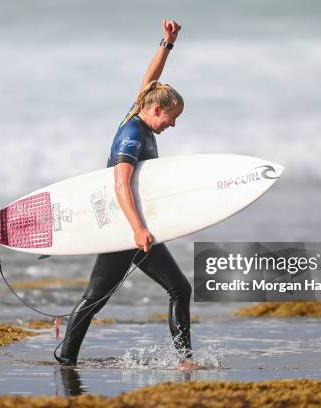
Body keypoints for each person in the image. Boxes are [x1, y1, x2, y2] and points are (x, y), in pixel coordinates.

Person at [57, 19, 199, 370]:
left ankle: (184, 361)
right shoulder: (132, 136)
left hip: (136, 227)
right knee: (95, 297)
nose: (173, 124)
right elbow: (120, 184)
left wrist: (168, 43)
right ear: (155, 110)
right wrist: (136, 229)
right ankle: (65, 355)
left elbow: (150, 81)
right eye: (171, 117)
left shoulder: (140, 110)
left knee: (179, 288)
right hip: (123, 229)